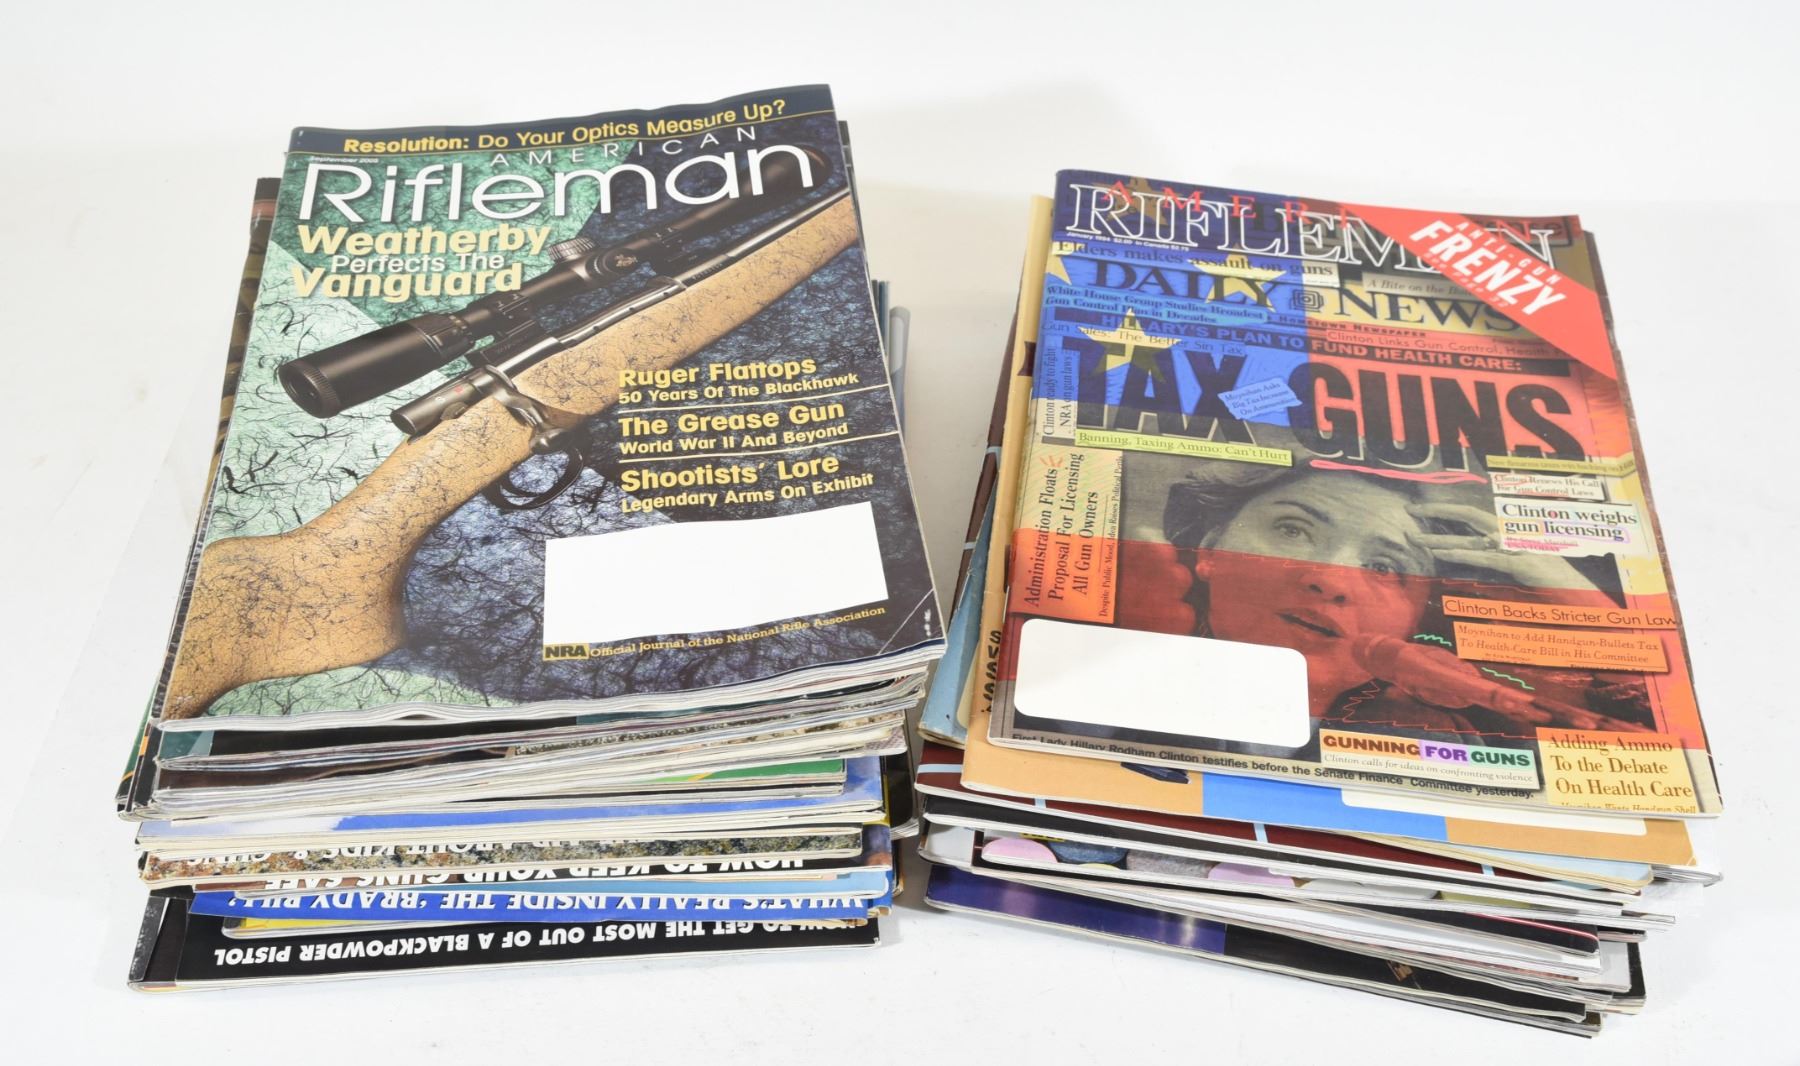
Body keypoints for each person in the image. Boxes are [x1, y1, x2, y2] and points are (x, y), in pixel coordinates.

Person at [1116, 460, 1644, 753]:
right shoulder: (1120, 666)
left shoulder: (1456, 739)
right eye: (1293, 530)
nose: (1330, 581)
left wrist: (1580, 601)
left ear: (1414, 619)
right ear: (1210, 548)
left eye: (1384, 567)